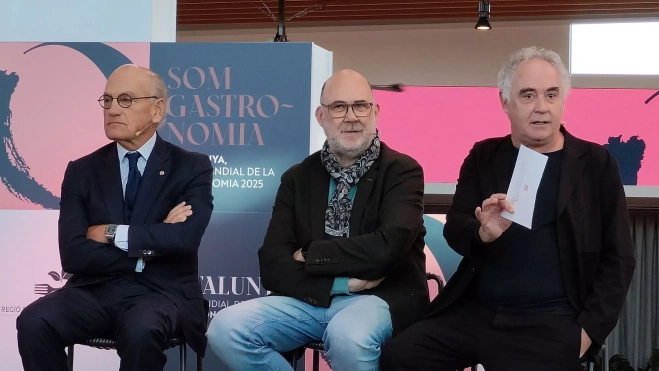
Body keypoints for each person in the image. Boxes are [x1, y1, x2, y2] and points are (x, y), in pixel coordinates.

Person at [380, 46, 636, 371]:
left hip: (551, 321)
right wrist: (482, 232)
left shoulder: (596, 164)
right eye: (528, 95)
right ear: (505, 102)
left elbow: (620, 259)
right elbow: (456, 230)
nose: (541, 107)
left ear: (563, 100)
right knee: (400, 357)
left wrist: (587, 334)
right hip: (477, 310)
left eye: (551, 95)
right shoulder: (484, 156)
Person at [206, 69, 428, 371]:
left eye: (361, 105)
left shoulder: (402, 171)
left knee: (347, 336)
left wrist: (312, 254)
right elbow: (272, 262)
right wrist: (342, 283)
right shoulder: (298, 177)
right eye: (338, 107)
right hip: (311, 296)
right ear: (321, 116)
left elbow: (388, 247)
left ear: (376, 112)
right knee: (226, 329)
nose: (352, 116)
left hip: (381, 298)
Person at [16, 64, 214, 371]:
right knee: (33, 321)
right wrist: (151, 242)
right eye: (107, 100)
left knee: (141, 329)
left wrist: (110, 232)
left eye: (126, 100)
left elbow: (184, 239)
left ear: (157, 109)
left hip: (161, 292)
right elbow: (73, 254)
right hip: (93, 291)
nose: (112, 110)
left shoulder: (191, 166)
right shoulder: (82, 171)